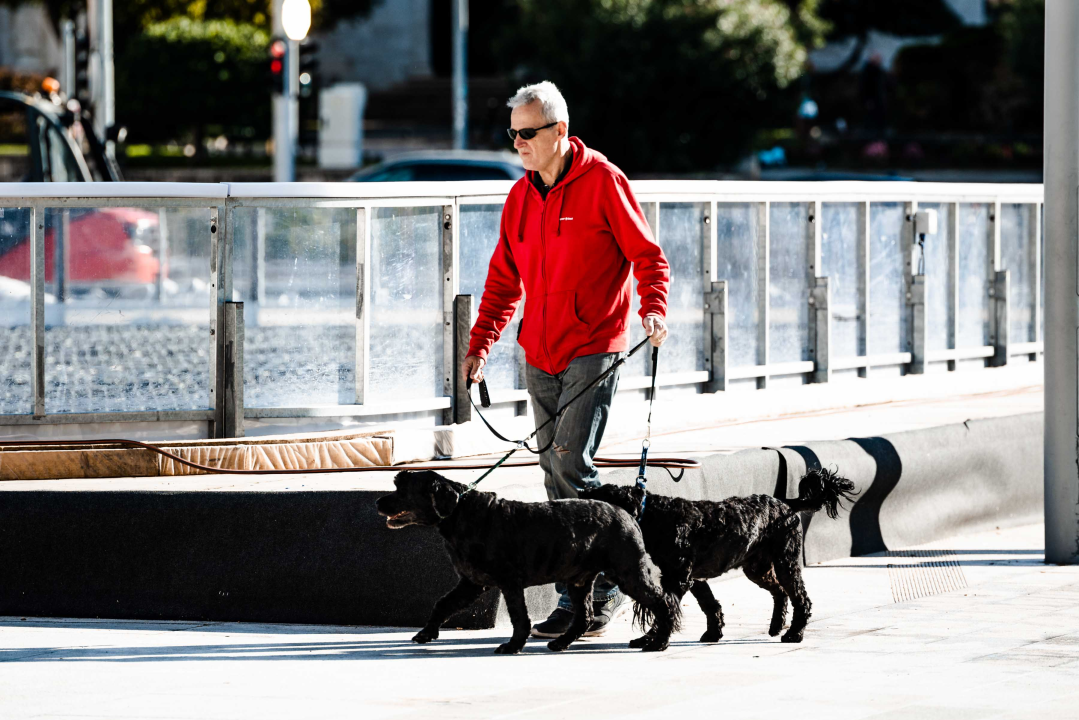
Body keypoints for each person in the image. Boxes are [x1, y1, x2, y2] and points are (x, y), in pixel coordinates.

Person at [461, 81, 671, 638]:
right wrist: (480, 345)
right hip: (540, 350)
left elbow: (649, 258)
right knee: (553, 474)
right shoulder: (520, 197)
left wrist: (653, 309)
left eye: (528, 133)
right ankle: (574, 594)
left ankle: (602, 591)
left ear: (560, 130)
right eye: (512, 134)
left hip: (595, 345)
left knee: (572, 465)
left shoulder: (603, 181)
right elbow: (503, 281)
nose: (518, 144)